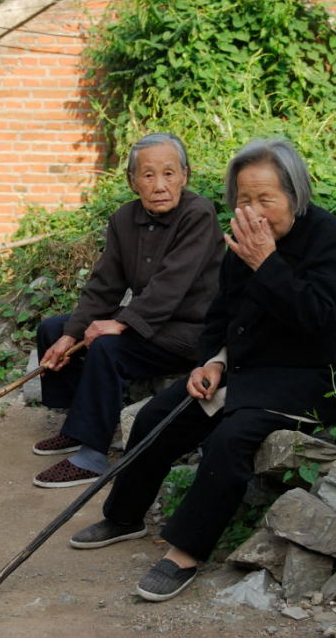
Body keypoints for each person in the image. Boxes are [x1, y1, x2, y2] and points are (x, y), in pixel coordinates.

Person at [68, 138, 336, 601]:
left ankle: (185, 552)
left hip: (308, 379)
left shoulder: (330, 240)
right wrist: (212, 362)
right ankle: (124, 516)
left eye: (266, 198)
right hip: (244, 369)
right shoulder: (243, 241)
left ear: (295, 193)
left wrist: (266, 262)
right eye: (245, 200)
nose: (255, 211)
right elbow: (222, 315)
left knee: (230, 440)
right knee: (154, 417)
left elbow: (317, 319)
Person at [32, 133, 225, 489]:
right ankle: (76, 425)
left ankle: (92, 455)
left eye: (169, 173)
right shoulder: (124, 219)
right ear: (132, 182)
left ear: (185, 175)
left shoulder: (198, 214)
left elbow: (171, 285)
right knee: (53, 329)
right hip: (149, 323)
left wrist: (119, 325)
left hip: (190, 331)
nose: (160, 185)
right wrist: (71, 335)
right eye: (148, 175)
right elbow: (105, 285)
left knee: (107, 347)